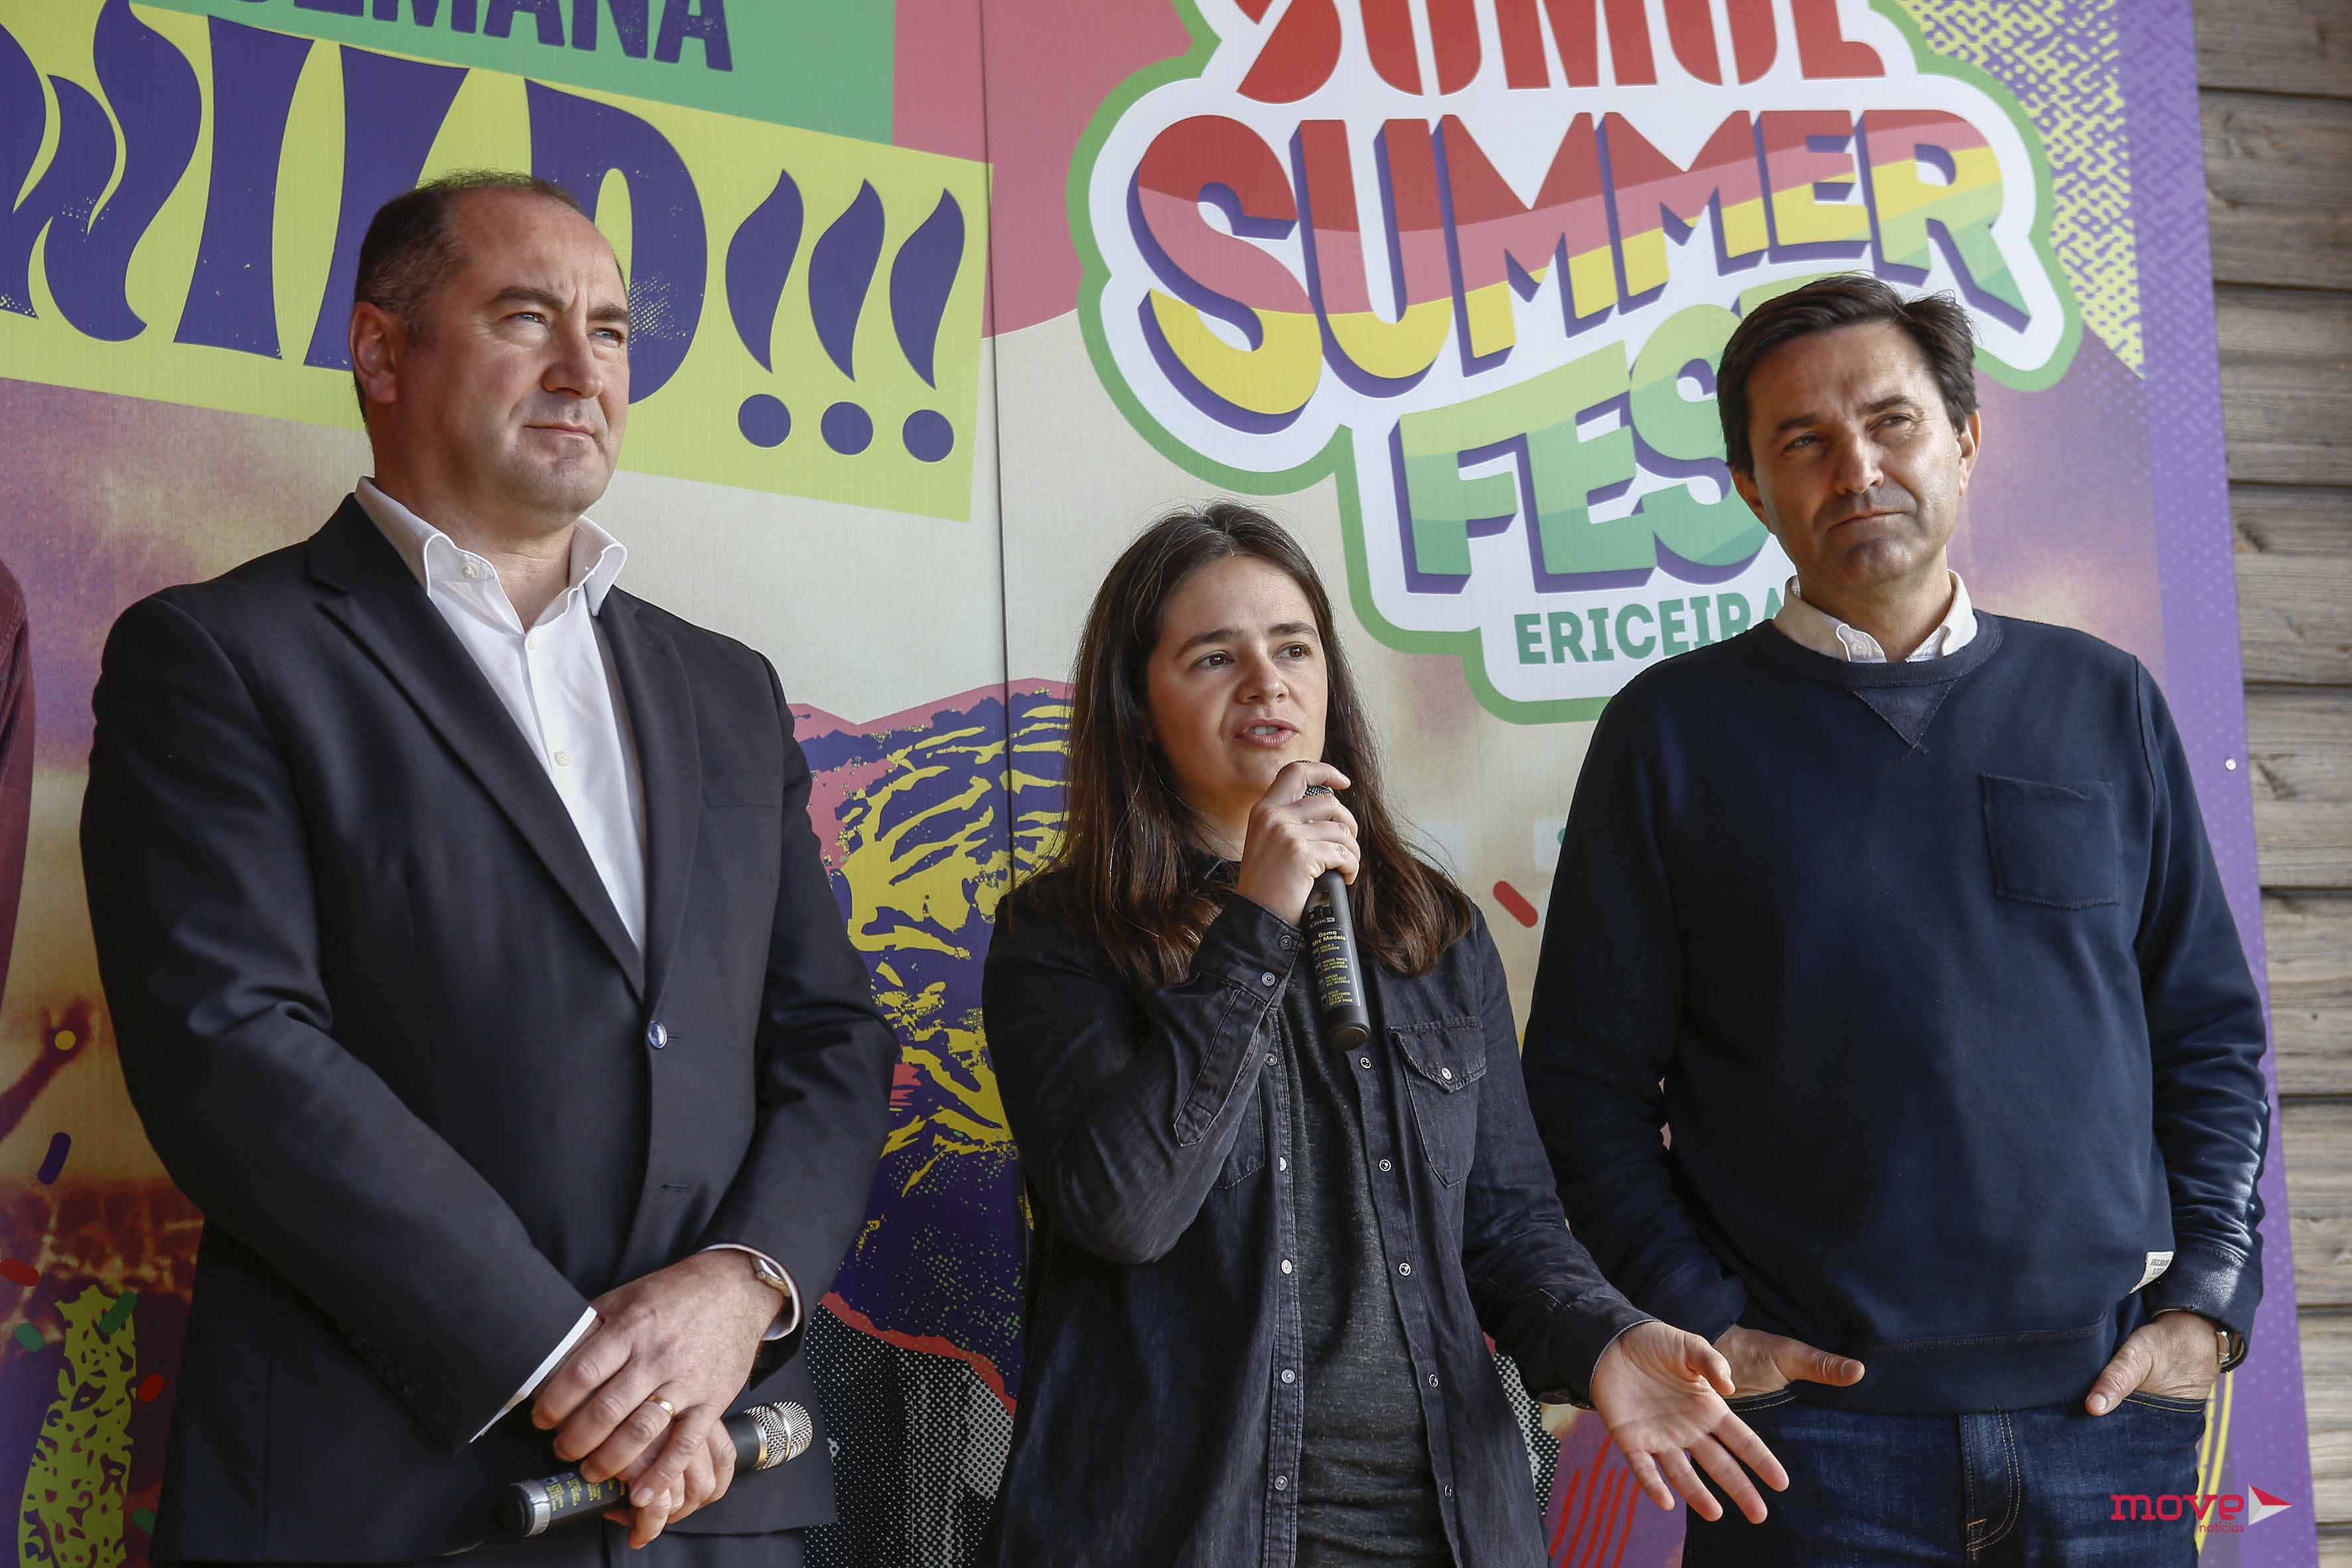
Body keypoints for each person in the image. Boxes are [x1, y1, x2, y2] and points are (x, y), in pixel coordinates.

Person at [80, 173, 898, 1565]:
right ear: (381, 350)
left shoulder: (726, 688)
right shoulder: (218, 656)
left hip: (714, 1488)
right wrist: (568, 1360)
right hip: (384, 1496)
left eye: (612, 330)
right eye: (527, 318)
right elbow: (232, 1047)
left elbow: (830, 1034)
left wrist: (740, 1286)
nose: (585, 369)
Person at [1522, 274, 2270, 1565]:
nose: (1856, 468)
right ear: (1752, 490)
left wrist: (2206, 1294)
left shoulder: (2104, 703)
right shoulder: (1670, 735)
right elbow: (1583, 1086)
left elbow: (2206, 1033)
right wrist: (1702, 1317)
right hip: (1803, 1449)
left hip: (2107, 1425)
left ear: (1965, 439)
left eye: (1891, 422)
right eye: (1803, 441)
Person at [981, 503, 1786, 1568]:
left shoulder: (1428, 931)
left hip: (1440, 1528)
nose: (1267, 683)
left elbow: (1508, 1227)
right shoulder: (1062, 937)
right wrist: (1255, 921)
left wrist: (1606, 1338)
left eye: (1294, 647)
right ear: (1137, 704)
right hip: (1182, 1531)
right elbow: (1123, 1209)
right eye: (1215, 656)